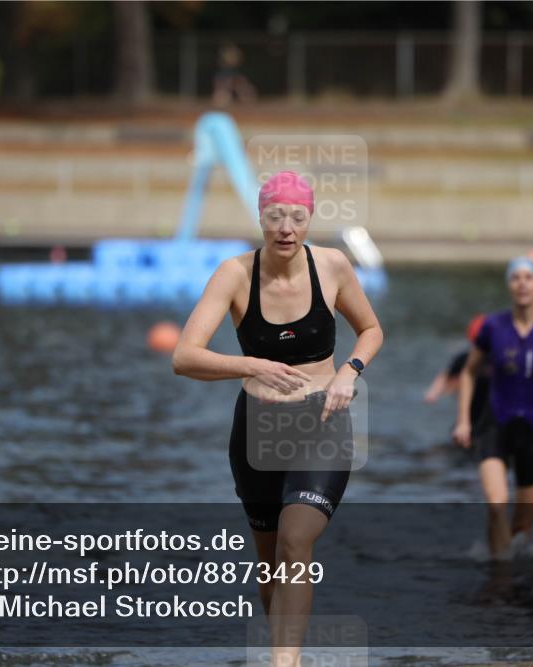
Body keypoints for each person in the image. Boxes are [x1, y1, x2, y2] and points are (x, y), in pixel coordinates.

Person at [172, 170, 383, 664]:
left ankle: (281, 664)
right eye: (275, 216)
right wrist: (251, 364)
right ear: (261, 218)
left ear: (309, 219)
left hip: (323, 422)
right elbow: (183, 357)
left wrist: (350, 371)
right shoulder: (234, 274)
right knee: (271, 567)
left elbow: (371, 328)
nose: (286, 227)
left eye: (297, 216)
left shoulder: (332, 267)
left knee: (295, 540)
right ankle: (288, 656)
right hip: (257, 432)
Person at [453, 256, 533, 558]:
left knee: (522, 526)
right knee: (497, 505)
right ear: (509, 285)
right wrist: (463, 421)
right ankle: (501, 577)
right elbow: (469, 372)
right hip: (494, 425)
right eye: (516, 278)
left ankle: (502, 561)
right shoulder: (492, 326)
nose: (522, 284)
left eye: (529, 277)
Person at [424, 314, 494, 435]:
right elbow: (446, 375)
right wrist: (434, 392)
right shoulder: (464, 358)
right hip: (470, 411)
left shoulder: (500, 359)